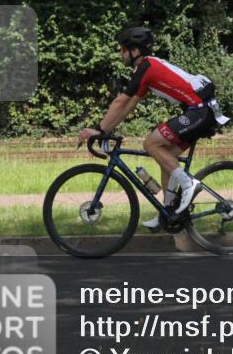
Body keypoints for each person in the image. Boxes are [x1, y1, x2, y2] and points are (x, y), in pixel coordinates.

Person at [76, 26, 223, 229]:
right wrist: (105, 130)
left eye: (123, 50)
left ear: (135, 51)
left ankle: (189, 183)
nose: (121, 54)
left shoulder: (146, 67)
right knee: (165, 157)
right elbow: (128, 105)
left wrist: (99, 130)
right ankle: (168, 213)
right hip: (201, 110)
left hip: (199, 110)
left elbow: (121, 101)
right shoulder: (147, 69)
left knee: (151, 144)